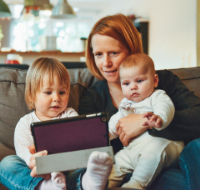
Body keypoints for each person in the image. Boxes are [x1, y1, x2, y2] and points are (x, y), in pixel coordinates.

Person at [1, 13, 200, 190]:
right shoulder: (93, 97)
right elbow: (91, 150)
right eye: (99, 54)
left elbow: (197, 117)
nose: (106, 63)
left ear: (132, 50)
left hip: (162, 166)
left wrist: (144, 123)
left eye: (114, 53)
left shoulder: (162, 81)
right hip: (116, 173)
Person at [0, 57, 113, 190]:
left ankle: (88, 183)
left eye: (62, 92)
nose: (56, 98)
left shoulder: (70, 115)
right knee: (7, 163)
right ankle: (45, 186)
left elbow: (79, 146)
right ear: (31, 95)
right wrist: (38, 163)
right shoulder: (24, 123)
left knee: (87, 163)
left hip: (68, 170)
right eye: (48, 92)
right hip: (38, 173)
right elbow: (25, 156)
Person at [108, 53, 184, 189]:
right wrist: (108, 132)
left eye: (139, 81)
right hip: (133, 150)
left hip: (164, 145)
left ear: (155, 81)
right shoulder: (126, 103)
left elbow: (166, 107)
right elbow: (117, 119)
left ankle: (135, 184)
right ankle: (104, 184)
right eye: (126, 83)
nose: (133, 87)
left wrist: (159, 118)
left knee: (153, 151)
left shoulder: (157, 96)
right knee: (118, 160)